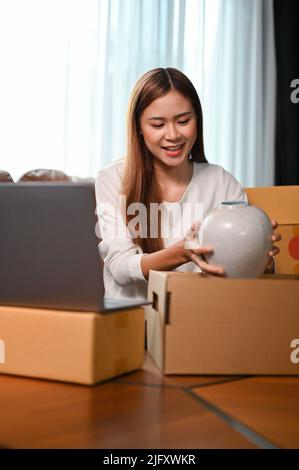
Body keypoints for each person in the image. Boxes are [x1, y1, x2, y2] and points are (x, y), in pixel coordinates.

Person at [95, 67, 280, 300]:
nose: (173, 135)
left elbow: (236, 282)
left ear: (197, 120)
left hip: (198, 322)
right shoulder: (112, 179)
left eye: (183, 121)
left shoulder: (221, 182)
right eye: (158, 125)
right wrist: (182, 253)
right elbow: (121, 268)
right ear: (139, 128)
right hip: (130, 326)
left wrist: (259, 259)